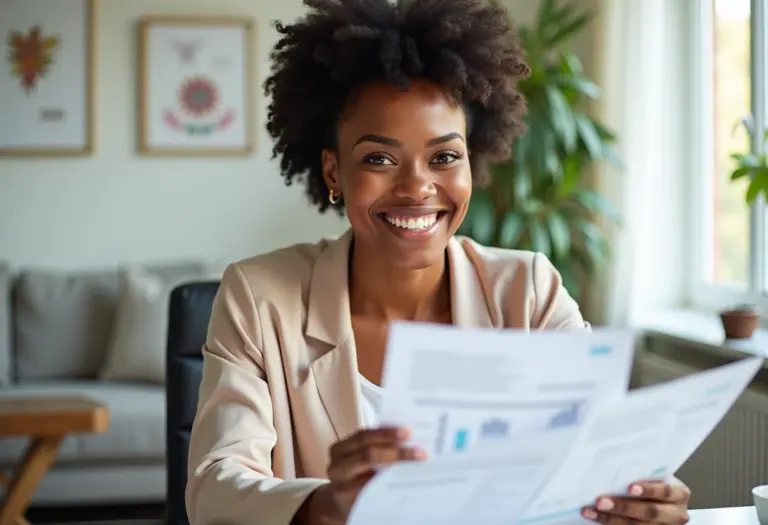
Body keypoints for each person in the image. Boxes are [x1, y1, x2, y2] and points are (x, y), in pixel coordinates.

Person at [186, 0, 691, 524]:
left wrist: (644, 495)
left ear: (473, 162)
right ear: (334, 173)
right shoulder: (259, 294)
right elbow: (214, 488)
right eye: (379, 159)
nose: (417, 188)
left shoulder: (529, 290)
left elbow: (605, 450)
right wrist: (325, 505)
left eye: (445, 157)